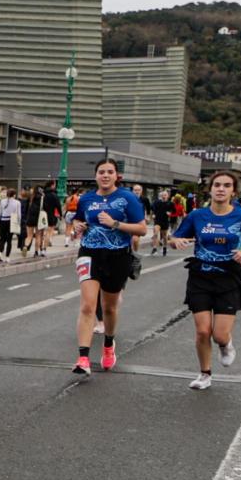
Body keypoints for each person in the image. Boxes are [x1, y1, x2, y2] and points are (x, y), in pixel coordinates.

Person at [171, 171, 241, 390]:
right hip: (200, 276)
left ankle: (226, 344)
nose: (221, 189)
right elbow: (175, 237)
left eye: (226, 185)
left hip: (228, 277)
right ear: (210, 189)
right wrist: (177, 242)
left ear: (233, 191)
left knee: (219, 335)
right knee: (203, 331)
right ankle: (205, 374)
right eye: (217, 185)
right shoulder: (197, 216)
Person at [70, 158, 148, 375]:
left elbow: (142, 229)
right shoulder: (86, 199)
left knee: (109, 308)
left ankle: (108, 345)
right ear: (96, 176)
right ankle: (83, 358)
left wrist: (116, 224)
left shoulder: (127, 198)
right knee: (87, 305)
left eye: (109, 172)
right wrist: (78, 226)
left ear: (116, 176)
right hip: (89, 253)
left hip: (117, 255)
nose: (105, 175)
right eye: (101, 172)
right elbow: (77, 221)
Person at [0, 187, 21, 261]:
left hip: (3, 220)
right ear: (14, 195)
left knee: (2, 239)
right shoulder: (17, 202)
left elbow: (0, 212)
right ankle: (7, 257)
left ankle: (0, 254)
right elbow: (18, 214)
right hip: (12, 221)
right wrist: (18, 222)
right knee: (9, 240)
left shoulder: (2, 201)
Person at [150, 187, 175, 255]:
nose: (164, 196)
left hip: (165, 221)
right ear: (161, 196)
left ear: (168, 196)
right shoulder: (157, 202)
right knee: (155, 233)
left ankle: (164, 247)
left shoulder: (170, 203)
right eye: (163, 195)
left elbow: (174, 211)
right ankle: (154, 248)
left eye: (165, 195)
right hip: (157, 220)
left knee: (164, 236)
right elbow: (152, 208)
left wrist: (170, 213)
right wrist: (153, 214)